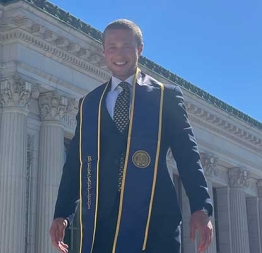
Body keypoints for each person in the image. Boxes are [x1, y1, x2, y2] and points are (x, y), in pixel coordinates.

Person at [50, 19, 213, 253]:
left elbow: (188, 156)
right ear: (104, 51)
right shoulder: (90, 104)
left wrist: (201, 207)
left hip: (154, 223)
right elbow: (76, 163)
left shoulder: (164, 97)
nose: (119, 53)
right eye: (112, 46)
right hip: (102, 223)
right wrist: (62, 213)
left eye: (126, 46)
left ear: (139, 49)